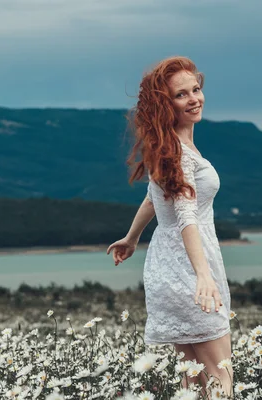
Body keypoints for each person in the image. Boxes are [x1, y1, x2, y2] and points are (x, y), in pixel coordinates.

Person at [106, 56, 233, 396]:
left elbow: (154, 198)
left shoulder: (169, 148)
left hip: (171, 267)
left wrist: (132, 238)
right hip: (189, 271)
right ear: (165, 104)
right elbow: (185, 216)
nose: (194, 99)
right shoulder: (177, 152)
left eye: (196, 89)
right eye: (181, 95)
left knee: (192, 383)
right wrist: (203, 275)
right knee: (221, 382)